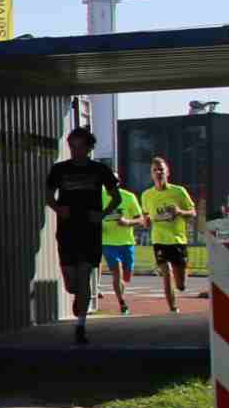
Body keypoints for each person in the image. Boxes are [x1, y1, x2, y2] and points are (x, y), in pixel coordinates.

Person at [45, 130, 122, 344]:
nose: (76, 151)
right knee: (72, 283)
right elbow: (48, 196)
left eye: (80, 146)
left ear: (89, 148)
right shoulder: (60, 169)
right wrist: (58, 208)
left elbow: (116, 198)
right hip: (67, 230)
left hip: (90, 229)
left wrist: (102, 214)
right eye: (72, 146)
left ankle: (81, 325)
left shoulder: (100, 169)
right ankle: (78, 294)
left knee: (84, 274)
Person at [141, 157, 198, 314]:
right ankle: (173, 308)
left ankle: (181, 282)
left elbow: (193, 213)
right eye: (155, 170)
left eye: (161, 169)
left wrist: (179, 212)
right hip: (159, 239)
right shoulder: (146, 195)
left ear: (167, 172)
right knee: (166, 273)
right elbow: (146, 216)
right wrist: (146, 221)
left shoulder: (179, 191)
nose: (158, 172)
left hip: (177, 239)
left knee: (180, 284)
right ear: (151, 174)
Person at [101, 180, 145, 314]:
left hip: (127, 242)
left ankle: (121, 292)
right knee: (116, 271)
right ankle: (122, 303)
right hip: (108, 242)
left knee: (126, 277)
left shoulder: (128, 197)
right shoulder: (98, 197)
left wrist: (127, 222)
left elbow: (141, 220)